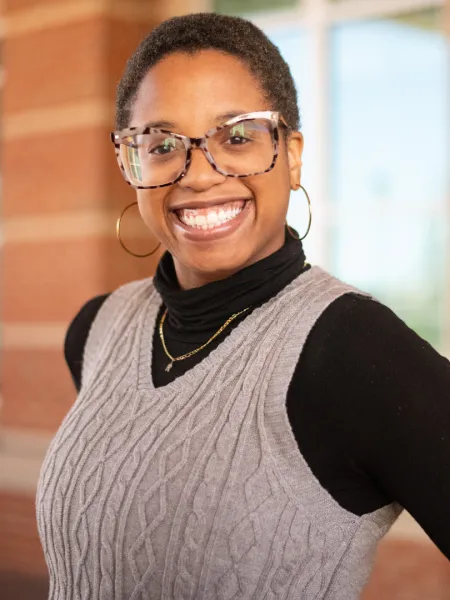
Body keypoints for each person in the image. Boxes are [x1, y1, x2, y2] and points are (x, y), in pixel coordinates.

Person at [36, 12, 450, 600]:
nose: (199, 175)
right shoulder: (96, 329)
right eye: (162, 144)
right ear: (131, 165)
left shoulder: (351, 349)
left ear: (292, 153)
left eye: (237, 136)